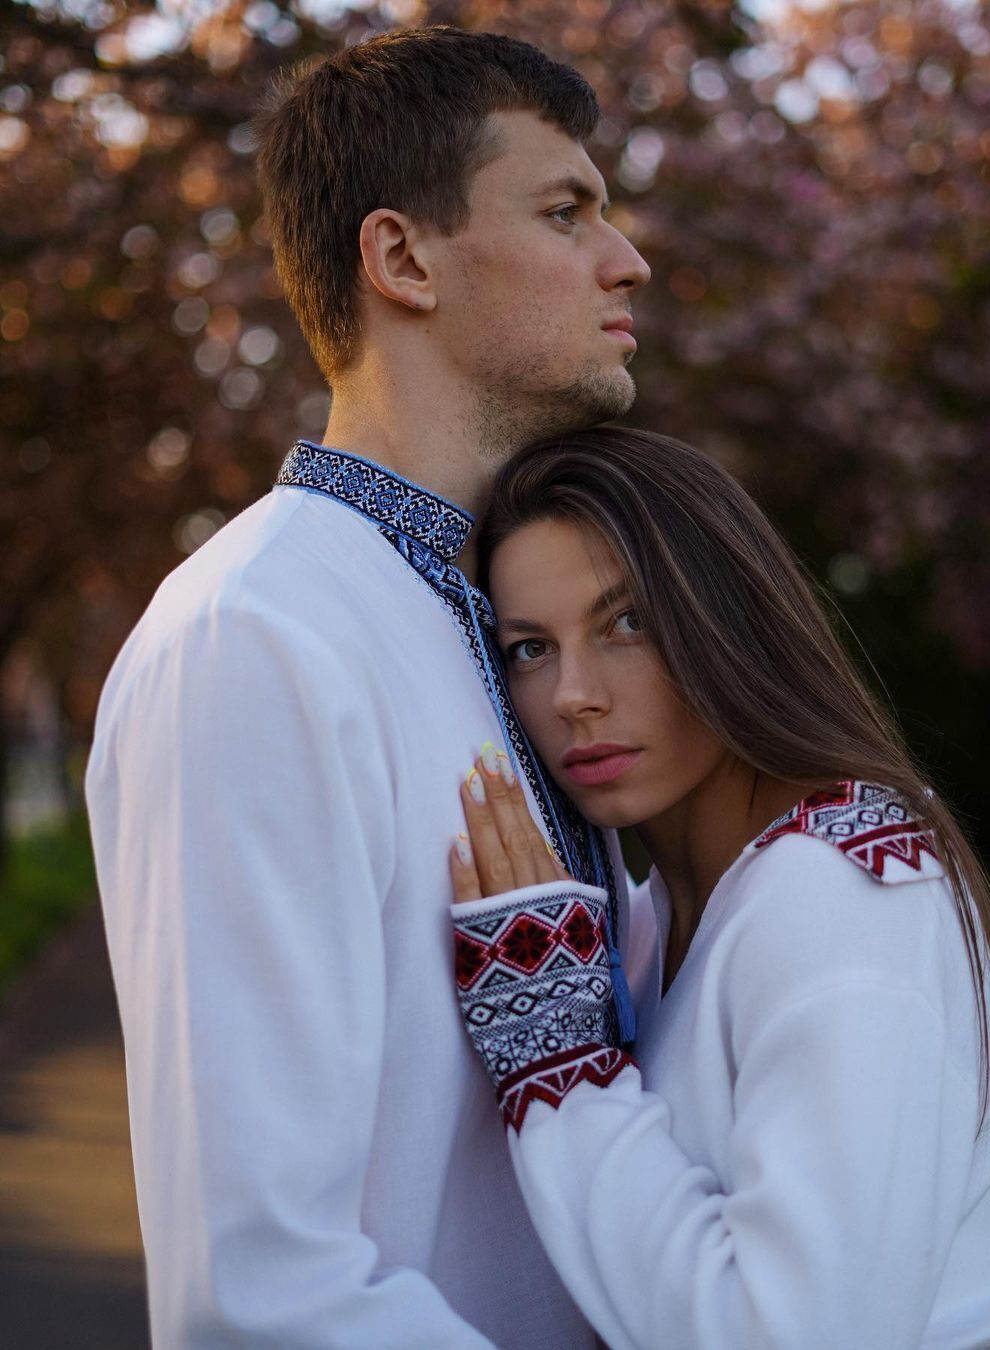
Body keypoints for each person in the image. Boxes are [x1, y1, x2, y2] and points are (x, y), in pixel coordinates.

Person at [86, 28, 649, 1347]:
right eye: (565, 211)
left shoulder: (520, 630)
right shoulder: (255, 637)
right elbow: (260, 1289)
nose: (626, 261)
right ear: (401, 259)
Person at [447, 425, 990, 1349]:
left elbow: (792, 1333)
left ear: (728, 619)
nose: (574, 694)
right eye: (529, 648)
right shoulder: (654, 921)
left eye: (627, 623)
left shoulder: (847, 896)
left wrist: (558, 1061)